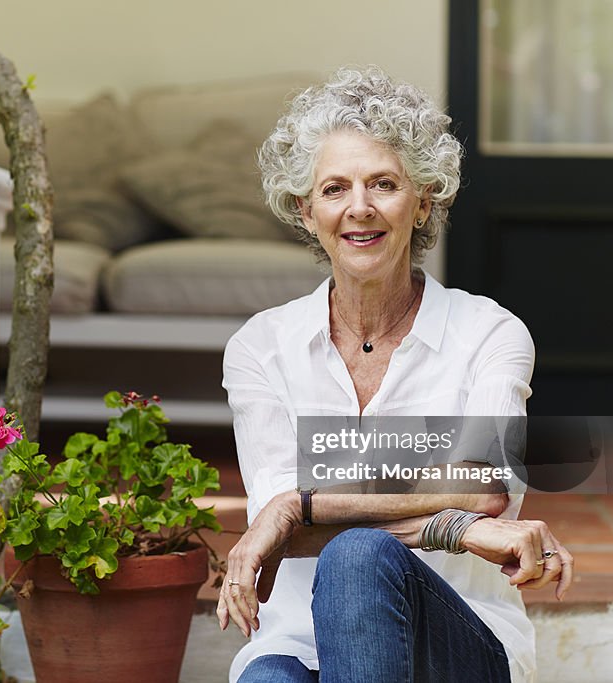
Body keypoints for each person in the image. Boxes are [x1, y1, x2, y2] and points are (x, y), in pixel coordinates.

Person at [217, 66, 574, 683]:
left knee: (358, 554)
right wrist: (455, 525)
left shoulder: (488, 333)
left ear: (423, 200)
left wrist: (300, 504)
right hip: (299, 641)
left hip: (460, 642)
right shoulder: (262, 347)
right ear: (306, 211)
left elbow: (485, 484)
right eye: (334, 189)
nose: (360, 208)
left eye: (383, 183)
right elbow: (281, 535)